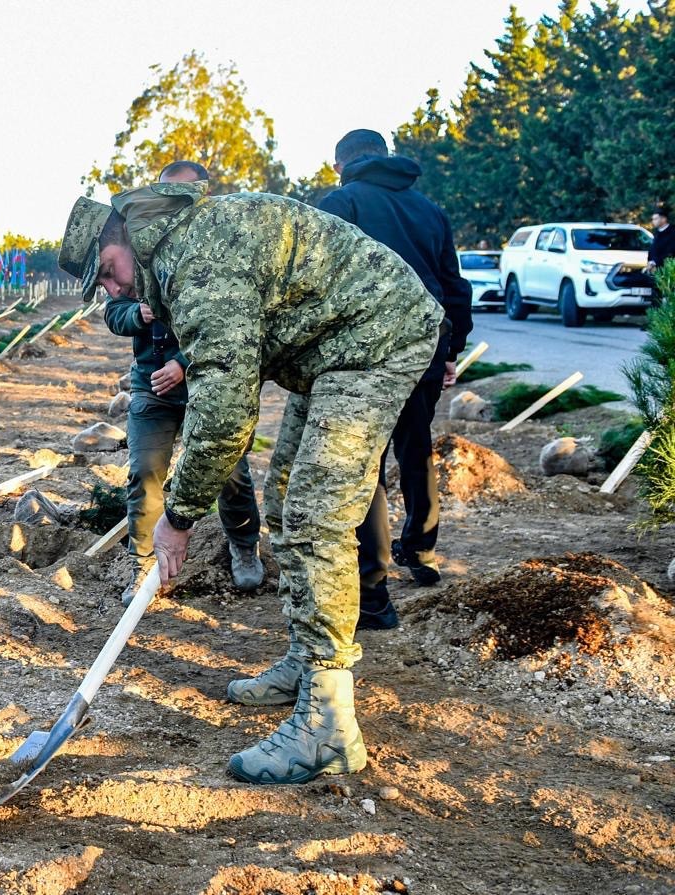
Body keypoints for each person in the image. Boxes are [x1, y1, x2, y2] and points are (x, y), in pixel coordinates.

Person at [60, 179, 441, 786]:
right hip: (333, 346)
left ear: (124, 237)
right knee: (287, 496)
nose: (112, 290)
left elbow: (225, 416)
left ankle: (329, 727)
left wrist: (178, 515)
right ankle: (304, 661)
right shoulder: (176, 253)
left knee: (317, 517)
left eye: (106, 272)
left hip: (374, 339)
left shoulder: (200, 260)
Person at [318, 129, 471, 629]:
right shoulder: (429, 209)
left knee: (366, 461)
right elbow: (453, 284)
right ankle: (422, 550)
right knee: (415, 445)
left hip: (370, 350)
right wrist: (451, 347)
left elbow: (320, 281)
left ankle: (373, 591)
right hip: (428, 342)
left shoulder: (341, 203)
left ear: (341, 163)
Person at [104, 159, 262, 604]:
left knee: (230, 471)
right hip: (150, 386)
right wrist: (139, 312)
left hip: (206, 385)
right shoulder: (136, 250)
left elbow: (234, 329)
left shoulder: (216, 251)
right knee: (145, 474)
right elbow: (112, 311)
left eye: (182, 198)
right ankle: (143, 567)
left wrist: (183, 362)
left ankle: (244, 548)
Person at [648, 205, 675, 273]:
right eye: (653, 219)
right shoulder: (657, 233)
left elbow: (670, 251)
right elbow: (652, 250)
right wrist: (651, 262)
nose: (653, 221)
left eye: (655, 219)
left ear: (663, 219)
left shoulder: (672, 232)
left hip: (668, 271)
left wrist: (655, 263)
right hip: (655, 270)